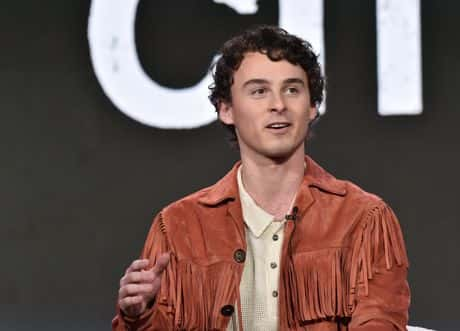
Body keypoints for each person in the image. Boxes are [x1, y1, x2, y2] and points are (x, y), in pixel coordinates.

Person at [112, 25, 410, 331]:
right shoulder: (178, 226)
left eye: (292, 89)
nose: (278, 105)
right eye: (259, 91)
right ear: (226, 109)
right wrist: (140, 315)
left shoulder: (364, 219)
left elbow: (381, 322)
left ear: (311, 107)